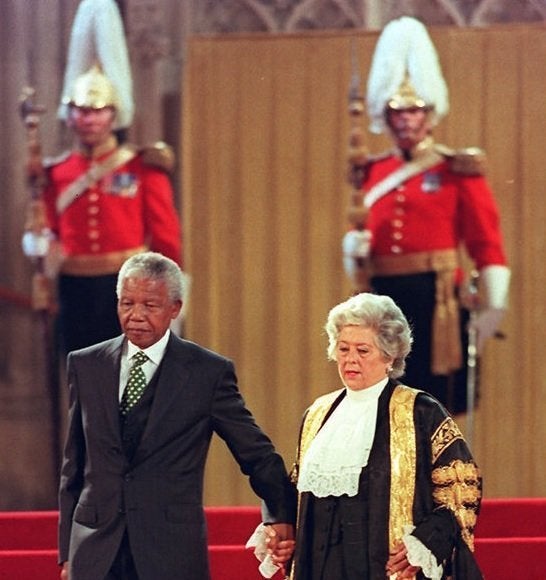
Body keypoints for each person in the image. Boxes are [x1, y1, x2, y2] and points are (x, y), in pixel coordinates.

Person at [58, 251, 296, 580]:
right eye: (126, 303)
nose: (135, 315)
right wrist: (68, 553)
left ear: (175, 308)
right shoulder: (86, 364)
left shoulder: (207, 373)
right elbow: (73, 466)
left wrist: (280, 511)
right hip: (95, 551)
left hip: (169, 551)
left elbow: (255, 452)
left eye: (149, 305)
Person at [342, 17, 510, 415]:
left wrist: (495, 306)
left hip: (437, 303)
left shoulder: (456, 170)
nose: (407, 120)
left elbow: (487, 243)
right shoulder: (371, 172)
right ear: (386, 117)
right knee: (382, 406)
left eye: (415, 110)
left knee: (434, 408)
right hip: (382, 297)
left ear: (430, 114)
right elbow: (362, 234)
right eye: (397, 112)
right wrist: (351, 249)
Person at [22, 0, 183, 353]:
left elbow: (165, 235)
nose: (89, 119)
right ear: (71, 116)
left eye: (98, 111)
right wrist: (39, 243)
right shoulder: (55, 172)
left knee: (134, 378)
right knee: (82, 375)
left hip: (131, 285)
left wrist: (171, 288)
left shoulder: (141, 166)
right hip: (74, 285)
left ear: (113, 115)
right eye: (81, 111)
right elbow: (45, 227)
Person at [288, 292, 483, 579]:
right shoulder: (317, 414)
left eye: (362, 351)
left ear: (389, 355)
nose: (350, 360)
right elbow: (298, 487)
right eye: (343, 349)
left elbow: (460, 488)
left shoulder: (421, 411)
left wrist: (424, 543)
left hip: (382, 566)